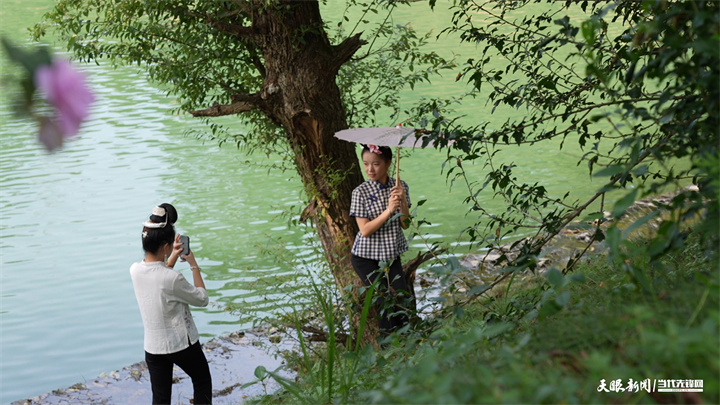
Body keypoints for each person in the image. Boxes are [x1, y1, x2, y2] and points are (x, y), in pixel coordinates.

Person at [129, 203, 213, 404]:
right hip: (180, 344)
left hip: (153, 347)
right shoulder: (173, 278)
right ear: (165, 246)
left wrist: (173, 255)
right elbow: (202, 299)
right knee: (202, 381)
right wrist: (193, 264)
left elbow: (158, 278)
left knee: (160, 398)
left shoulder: (134, 270)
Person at [349, 144, 415, 334]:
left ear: (387, 163)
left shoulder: (400, 188)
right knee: (383, 299)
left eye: (376, 164)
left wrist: (401, 201)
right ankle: (388, 346)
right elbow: (365, 230)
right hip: (366, 258)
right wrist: (388, 210)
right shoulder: (360, 192)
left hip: (390, 255)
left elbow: (405, 224)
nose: (370, 169)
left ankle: (407, 340)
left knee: (401, 296)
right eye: (366, 164)